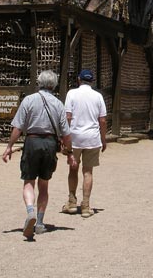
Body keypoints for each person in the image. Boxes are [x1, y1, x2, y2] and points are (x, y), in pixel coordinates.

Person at [2, 70, 76, 238]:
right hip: (50, 144)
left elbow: (18, 127)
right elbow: (66, 134)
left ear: (39, 83)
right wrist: (70, 153)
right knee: (44, 184)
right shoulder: (58, 104)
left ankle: (30, 211)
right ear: (54, 85)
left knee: (29, 181)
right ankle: (40, 223)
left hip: (32, 142)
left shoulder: (28, 100)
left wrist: (9, 146)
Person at [62, 69, 107, 218]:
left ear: (79, 79)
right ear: (92, 81)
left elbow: (67, 117)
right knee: (88, 172)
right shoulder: (98, 96)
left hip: (74, 138)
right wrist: (103, 139)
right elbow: (103, 120)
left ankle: (72, 202)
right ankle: (86, 206)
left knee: (73, 169)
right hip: (92, 138)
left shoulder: (71, 94)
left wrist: (64, 138)